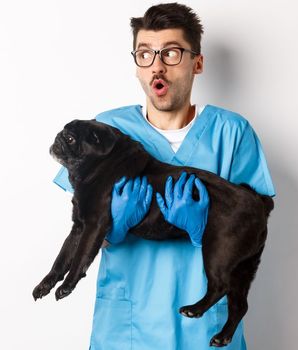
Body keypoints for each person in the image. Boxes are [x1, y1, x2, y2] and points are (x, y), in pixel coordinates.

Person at [52, 3, 276, 349]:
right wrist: (115, 228)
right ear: (137, 66)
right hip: (126, 331)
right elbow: (82, 223)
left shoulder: (231, 133)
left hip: (204, 333)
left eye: (171, 53)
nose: (157, 65)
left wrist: (206, 230)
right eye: (145, 54)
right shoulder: (106, 130)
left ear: (197, 62)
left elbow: (255, 223)